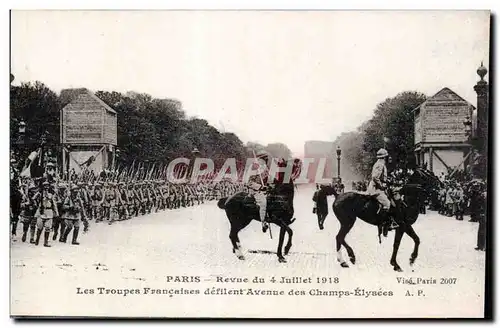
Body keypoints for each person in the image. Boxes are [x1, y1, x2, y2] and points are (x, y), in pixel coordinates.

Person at [367, 148, 398, 232]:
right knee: (387, 204)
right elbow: (375, 177)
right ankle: (384, 224)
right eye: (387, 156)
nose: (388, 158)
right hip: (376, 189)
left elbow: (381, 177)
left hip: (378, 187)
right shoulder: (380, 164)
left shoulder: (381, 164)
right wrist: (381, 186)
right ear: (384, 157)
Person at [248, 150, 271, 233]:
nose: (267, 160)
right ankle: (263, 223)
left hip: (264, 190)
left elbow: (269, 181)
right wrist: (260, 187)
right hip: (255, 191)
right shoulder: (254, 168)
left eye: (267, 158)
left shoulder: (266, 169)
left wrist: (269, 186)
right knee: (263, 202)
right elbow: (250, 183)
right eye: (265, 158)